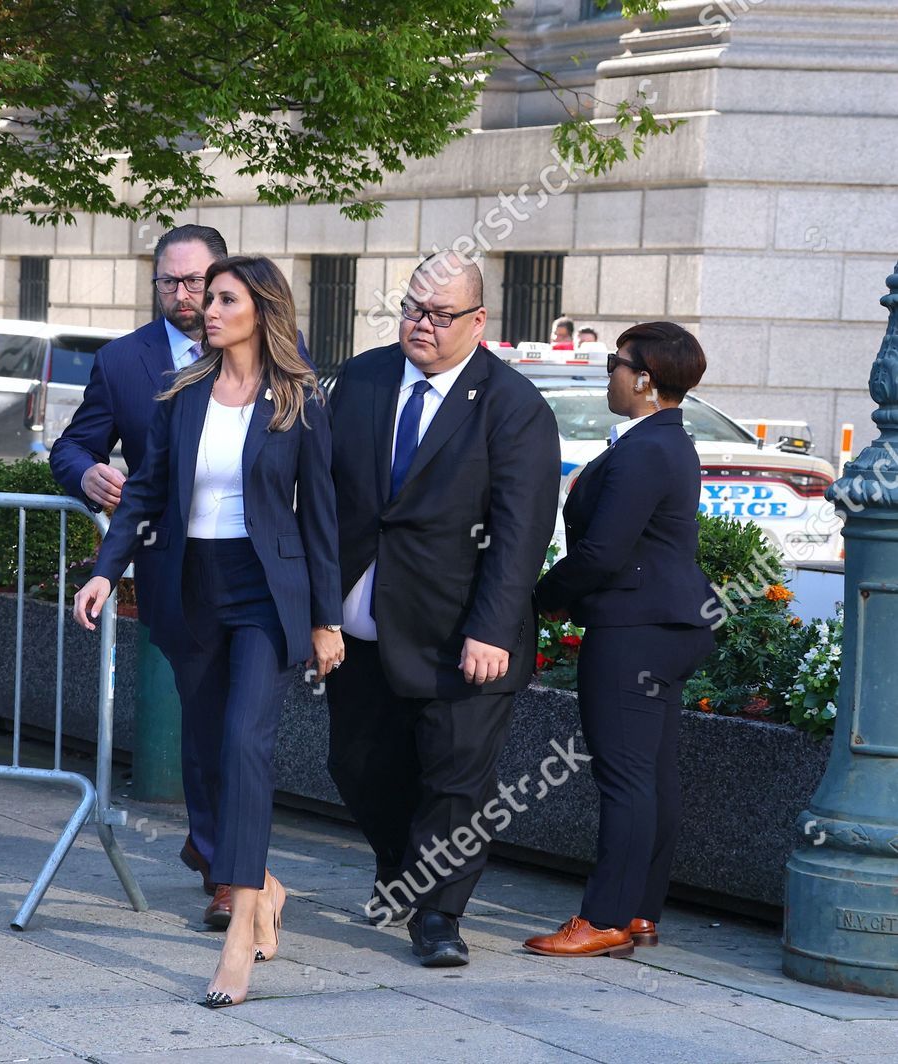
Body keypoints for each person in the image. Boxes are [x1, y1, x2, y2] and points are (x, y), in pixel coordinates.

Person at [72, 256, 342, 1008]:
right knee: (210, 753)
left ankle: (237, 938)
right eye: (206, 297)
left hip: (266, 592)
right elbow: (147, 491)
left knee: (246, 745)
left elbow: (321, 517)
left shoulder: (298, 398)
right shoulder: (184, 394)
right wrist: (106, 569)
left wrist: (326, 618)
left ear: (260, 309)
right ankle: (264, 888)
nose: (206, 309)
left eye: (223, 298)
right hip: (194, 588)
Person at [324, 251, 560, 967]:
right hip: (363, 628)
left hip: (464, 636)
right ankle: (402, 869)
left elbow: (521, 534)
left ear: (479, 321)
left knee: (456, 782)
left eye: (438, 314)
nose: (419, 324)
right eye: (411, 308)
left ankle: (438, 917)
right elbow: (329, 496)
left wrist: (490, 628)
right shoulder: (362, 377)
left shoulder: (513, 407)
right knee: (356, 767)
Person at [49, 224, 233, 918]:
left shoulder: (268, 347)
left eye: (196, 282)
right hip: (172, 569)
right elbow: (71, 446)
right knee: (208, 715)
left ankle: (225, 863)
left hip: (257, 570)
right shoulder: (125, 361)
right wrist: (87, 473)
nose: (183, 295)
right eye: (169, 281)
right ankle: (221, 859)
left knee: (240, 722)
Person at [524, 322, 716, 958]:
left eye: (614, 362)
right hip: (665, 625)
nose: (607, 372)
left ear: (643, 378)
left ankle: (604, 918)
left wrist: (541, 598)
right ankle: (638, 913)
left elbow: (604, 551)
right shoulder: (663, 441)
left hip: (636, 629)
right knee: (652, 775)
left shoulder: (645, 449)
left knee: (626, 778)